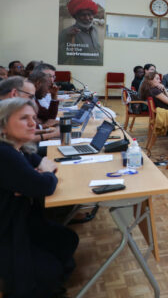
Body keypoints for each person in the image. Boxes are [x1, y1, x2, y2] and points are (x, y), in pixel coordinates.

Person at [0, 98, 78, 297]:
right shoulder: (4, 153)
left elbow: (45, 166)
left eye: (33, 118)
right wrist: (38, 177)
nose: (33, 123)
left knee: (67, 239)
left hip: (23, 219)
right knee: (47, 273)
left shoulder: (20, 147)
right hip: (8, 230)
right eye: (24, 118)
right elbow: (44, 184)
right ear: (3, 125)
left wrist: (35, 178)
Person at [58, 0, 103, 65]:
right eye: (83, 15)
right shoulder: (67, 32)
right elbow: (60, 59)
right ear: (76, 16)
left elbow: (98, 50)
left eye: (90, 14)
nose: (87, 18)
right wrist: (68, 40)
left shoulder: (95, 29)